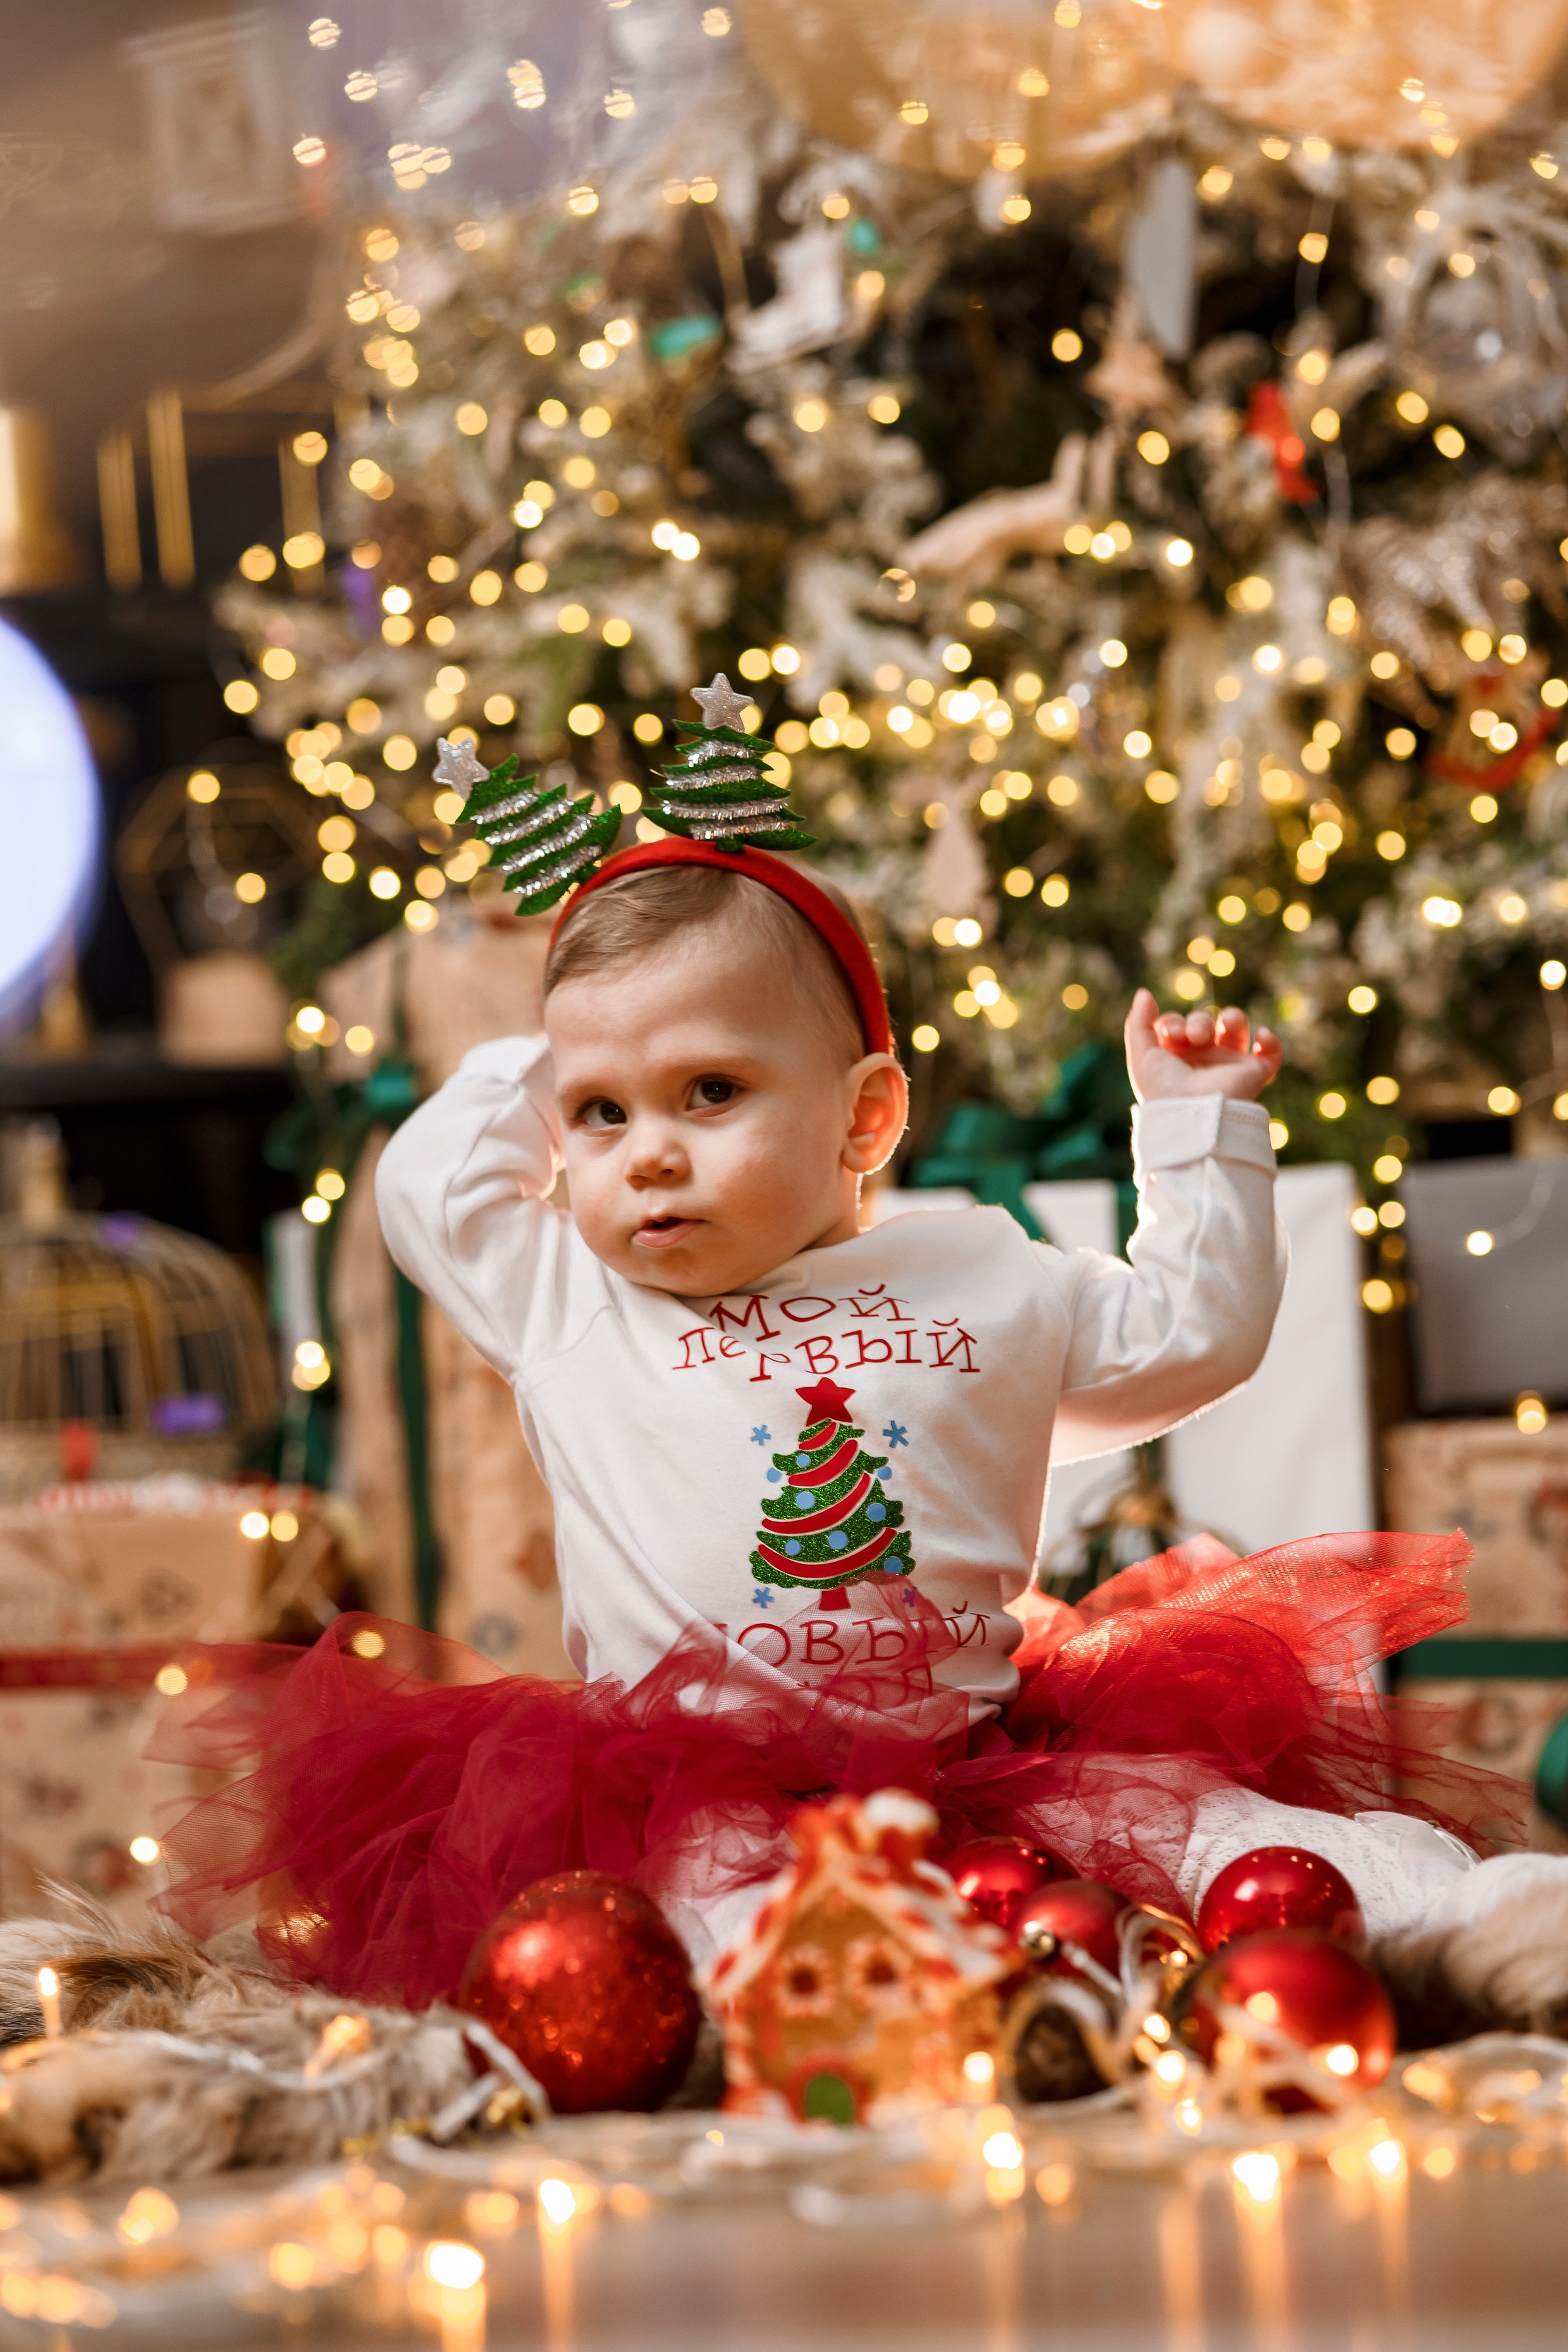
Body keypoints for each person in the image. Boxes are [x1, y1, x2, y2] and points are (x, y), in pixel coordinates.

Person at [154, 831, 1545, 2020]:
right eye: (600, 1111)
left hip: (982, 1755)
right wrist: (582, 1017)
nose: (647, 1150)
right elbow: (431, 1184)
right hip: (692, 1791)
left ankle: (1483, 1924)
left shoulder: (978, 1272)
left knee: (1231, 1844)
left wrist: (1194, 1140)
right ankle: (870, 2030)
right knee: (699, 1949)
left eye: (711, 1091)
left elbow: (1193, 1337)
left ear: (865, 1117)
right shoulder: (564, 1294)